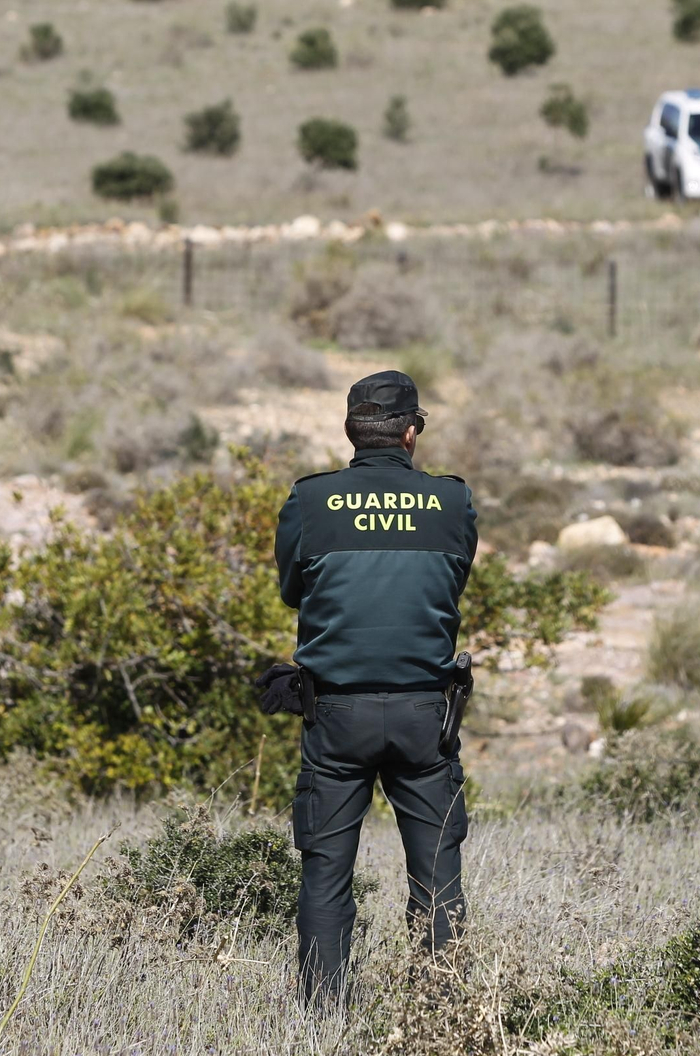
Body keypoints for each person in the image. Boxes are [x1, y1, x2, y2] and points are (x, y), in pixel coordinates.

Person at [273, 370, 478, 1007]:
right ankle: (443, 1018)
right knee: (438, 876)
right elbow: (454, 581)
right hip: (425, 713)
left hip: (335, 715)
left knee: (326, 873)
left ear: (349, 431)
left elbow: (290, 590)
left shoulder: (310, 501)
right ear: (411, 432)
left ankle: (323, 1020)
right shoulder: (452, 502)